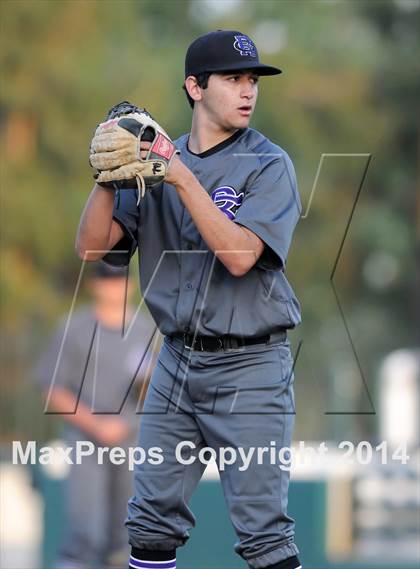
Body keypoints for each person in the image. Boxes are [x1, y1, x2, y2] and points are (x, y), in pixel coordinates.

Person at [77, 30, 302, 569]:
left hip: (251, 365)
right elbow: (90, 246)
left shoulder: (268, 164)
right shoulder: (152, 165)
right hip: (176, 362)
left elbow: (241, 256)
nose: (248, 90)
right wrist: (108, 176)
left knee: (264, 536)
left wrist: (177, 174)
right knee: (150, 525)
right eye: (233, 78)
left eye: (252, 80)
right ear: (194, 87)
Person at [34, 262, 157, 569]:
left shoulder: (147, 330)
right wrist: (97, 424)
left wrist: (126, 423)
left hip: (133, 440)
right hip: (85, 439)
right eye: (108, 281)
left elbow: (157, 391)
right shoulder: (74, 328)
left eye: (121, 281)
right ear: (95, 285)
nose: (115, 288)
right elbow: (53, 390)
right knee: (86, 529)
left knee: (128, 532)